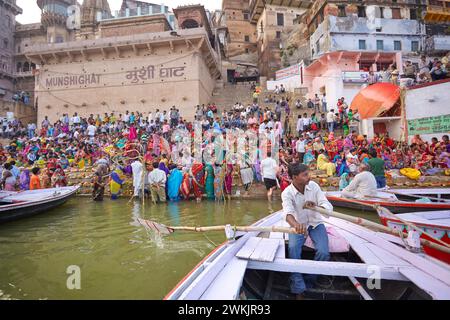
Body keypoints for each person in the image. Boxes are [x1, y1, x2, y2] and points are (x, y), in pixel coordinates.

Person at [282, 163, 332, 300]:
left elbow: (326, 203)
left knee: (324, 253)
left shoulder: (314, 186)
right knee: (293, 249)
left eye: (308, 173)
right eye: (305, 175)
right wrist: (296, 225)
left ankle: (309, 281)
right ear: (294, 177)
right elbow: (287, 213)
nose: (309, 176)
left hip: (316, 223)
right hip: (298, 224)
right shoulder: (287, 193)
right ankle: (298, 288)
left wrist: (318, 207)